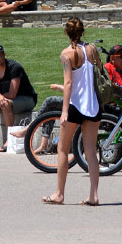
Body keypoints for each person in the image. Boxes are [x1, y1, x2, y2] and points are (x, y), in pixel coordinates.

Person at [44, 19, 100, 206]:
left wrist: (65, 110)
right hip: (93, 104)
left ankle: (59, 193)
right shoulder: (92, 50)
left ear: (67, 33)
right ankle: (93, 195)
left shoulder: (66, 53)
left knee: (62, 149)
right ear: (82, 32)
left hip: (76, 104)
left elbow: (68, 83)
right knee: (90, 152)